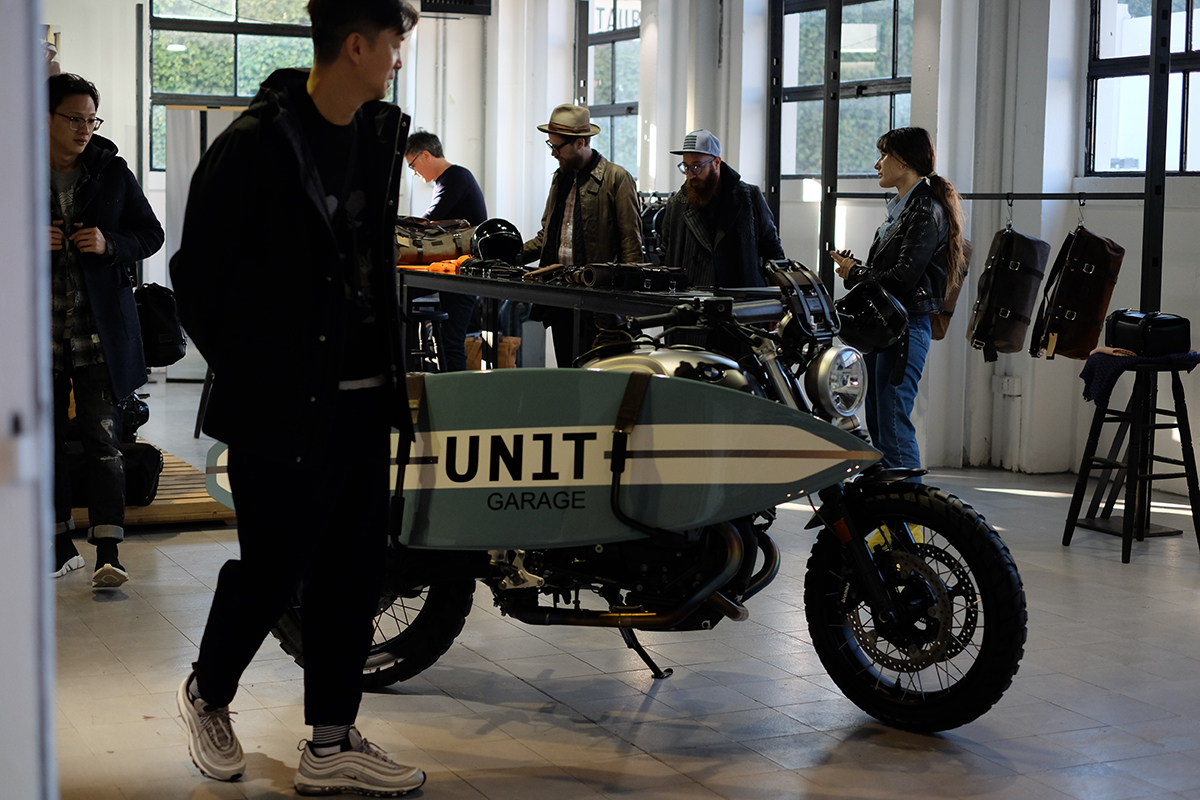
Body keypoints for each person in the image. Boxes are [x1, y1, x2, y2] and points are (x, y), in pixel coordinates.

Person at [168, 1, 425, 796]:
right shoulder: (256, 143)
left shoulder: (377, 137)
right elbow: (195, 278)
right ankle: (207, 695)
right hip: (282, 407)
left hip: (364, 401)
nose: (398, 60)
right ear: (356, 45)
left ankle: (331, 740)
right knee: (274, 570)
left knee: (355, 573)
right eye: (393, 44)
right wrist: (261, 372)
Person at [47, 73, 164, 587]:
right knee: (46, 445)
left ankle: (109, 553)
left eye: (91, 120)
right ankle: (58, 545)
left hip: (99, 335)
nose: (84, 129)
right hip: (38, 338)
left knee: (104, 442)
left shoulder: (112, 171)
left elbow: (151, 234)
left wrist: (110, 243)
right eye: (74, 118)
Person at [829, 126, 965, 475]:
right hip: (888, 329)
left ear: (903, 161)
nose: (877, 164)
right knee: (880, 421)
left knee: (892, 424)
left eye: (884, 155)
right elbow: (892, 272)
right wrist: (855, 270)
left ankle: (910, 507)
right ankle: (890, 506)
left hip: (904, 329)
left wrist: (857, 272)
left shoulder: (924, 210)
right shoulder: (906, 209)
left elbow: (903, 278)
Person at [521, 103, 642, 366]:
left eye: (557, 147)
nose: (553, 153)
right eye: (550, 145)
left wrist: (628, 305)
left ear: (580, 143)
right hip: (561, 297)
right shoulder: (560, 178)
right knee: (568, 374)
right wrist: (509, 255)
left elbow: (631, 246)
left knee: (599, 379)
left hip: (600, 303)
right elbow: (546, 237)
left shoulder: (617, 178)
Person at [657, 129, 784, 290]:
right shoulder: (678, 203)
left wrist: (777, 293)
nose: (690, 174)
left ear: (716, 162)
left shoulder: (749, 198)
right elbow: (666, 253)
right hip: (691, 297)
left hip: (740, 297)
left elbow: (772, 248)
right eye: (686, 167)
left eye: (696, 166)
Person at [405, 129, 485, 371]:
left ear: (426, 155)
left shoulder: (456, 177)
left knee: (451, 343)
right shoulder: (447, 180)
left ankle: (453, 394)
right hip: (454, 270)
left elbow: (430, 221)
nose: (414, 172)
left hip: (464, 272)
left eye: (413, 165)